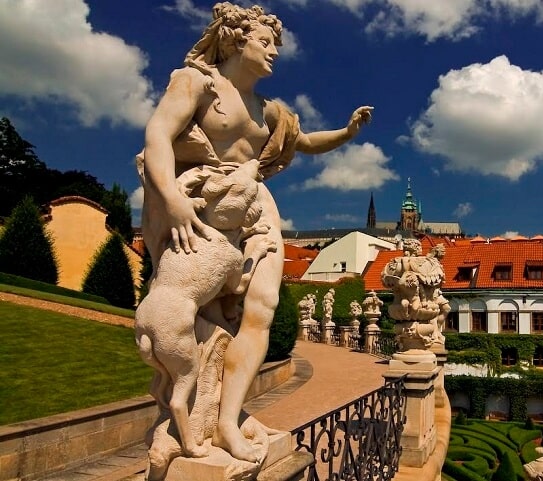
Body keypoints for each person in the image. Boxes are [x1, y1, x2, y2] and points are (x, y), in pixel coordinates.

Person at [138, 2, 372, 462]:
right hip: (202, 199)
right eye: (265, 42)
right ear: (234, 40)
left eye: (275, 45)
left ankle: (228, 418)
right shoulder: (196, 83)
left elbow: (304, 143)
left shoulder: (269, 112)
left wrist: (346, 132)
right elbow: (158, 135)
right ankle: (192, 419)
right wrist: (174, 201)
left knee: (262, 307)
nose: (274, 52)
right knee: (194, 304)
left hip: (255, 204)